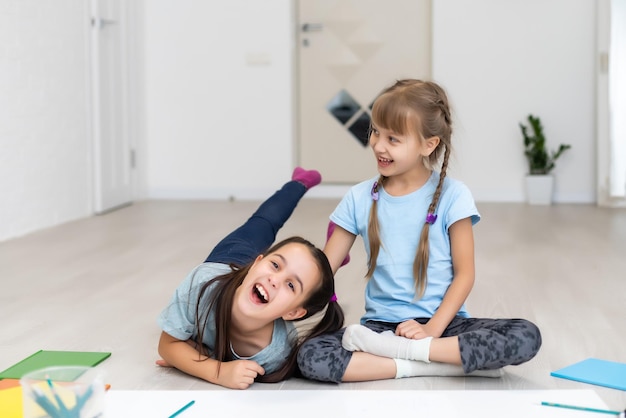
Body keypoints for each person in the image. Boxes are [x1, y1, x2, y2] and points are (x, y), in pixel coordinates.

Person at [297, 79, 542, 383]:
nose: (378, 145)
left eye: (393, 139)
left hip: (443, 327)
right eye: (375, 132)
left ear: (429, 144)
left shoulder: (454, 195)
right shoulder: (359, 197)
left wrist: (431, 331)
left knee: (525, 336)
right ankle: (435, 362)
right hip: (380, 330)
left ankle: (412, 356)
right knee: (309, 355)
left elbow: (465, 274)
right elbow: (323, 270)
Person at [157, 167, 344, 389]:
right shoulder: (202, 284)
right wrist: (216, 370)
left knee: (313, 279)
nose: (275, 279)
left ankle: (335, 251)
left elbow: (178, 348)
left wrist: (193, 354)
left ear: (292, 314)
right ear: (258, 261)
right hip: (231, 258)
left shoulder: (277, 354)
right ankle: (299, 183)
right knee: (264, 222)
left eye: (290, 284)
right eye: (275, 265)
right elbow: (167, 345)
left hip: (266, 282)